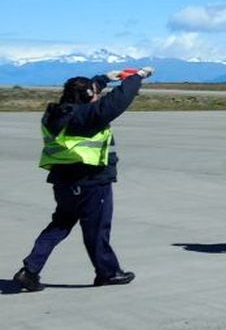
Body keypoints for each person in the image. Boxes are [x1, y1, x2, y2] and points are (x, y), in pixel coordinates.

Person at [14, 67, 153, 291]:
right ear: (89, 96)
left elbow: (88, 93)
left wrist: (104, 79)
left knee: (59, 224)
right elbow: (119, 99)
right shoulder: (88, 116)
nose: (97, 96)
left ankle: (29, 270)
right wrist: (138, 77)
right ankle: (108, 273)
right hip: (91, 182)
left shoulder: (53, 114)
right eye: (95, 93)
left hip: (63, 182)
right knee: (96, 231)